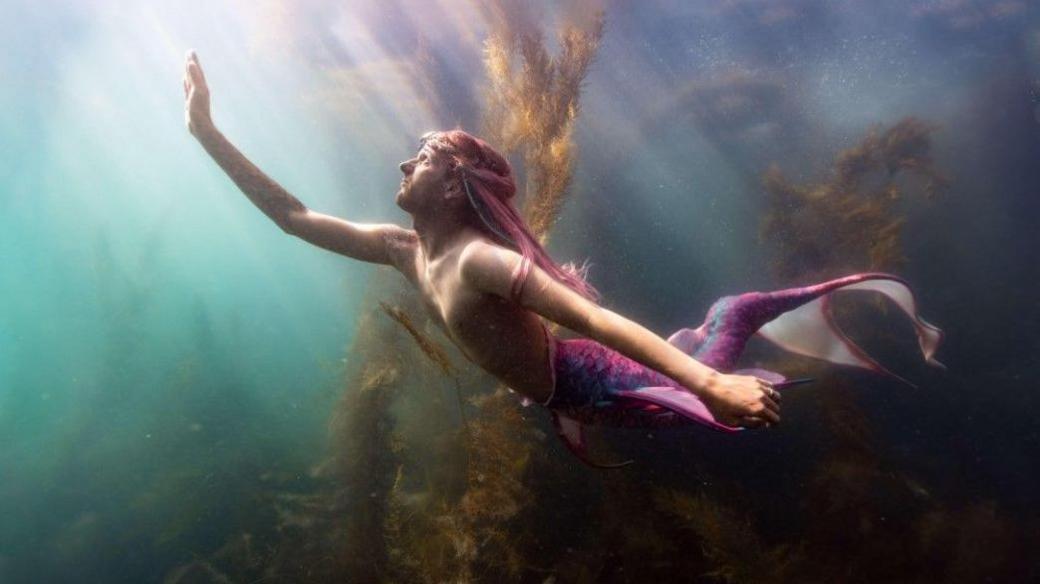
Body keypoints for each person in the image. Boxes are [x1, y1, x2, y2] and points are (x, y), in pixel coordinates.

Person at [182, 51, 943, 467]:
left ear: (454, 181)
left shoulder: (480, 264)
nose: (401, 164)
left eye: (419, 155)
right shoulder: (403, 252)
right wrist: (209, 135)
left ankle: (734, 317)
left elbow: (595, 321)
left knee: (721, 372)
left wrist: (714, 384)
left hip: (594, 382)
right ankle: (702, 344)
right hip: (567, 393)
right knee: (695, 383)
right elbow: (292, 217)